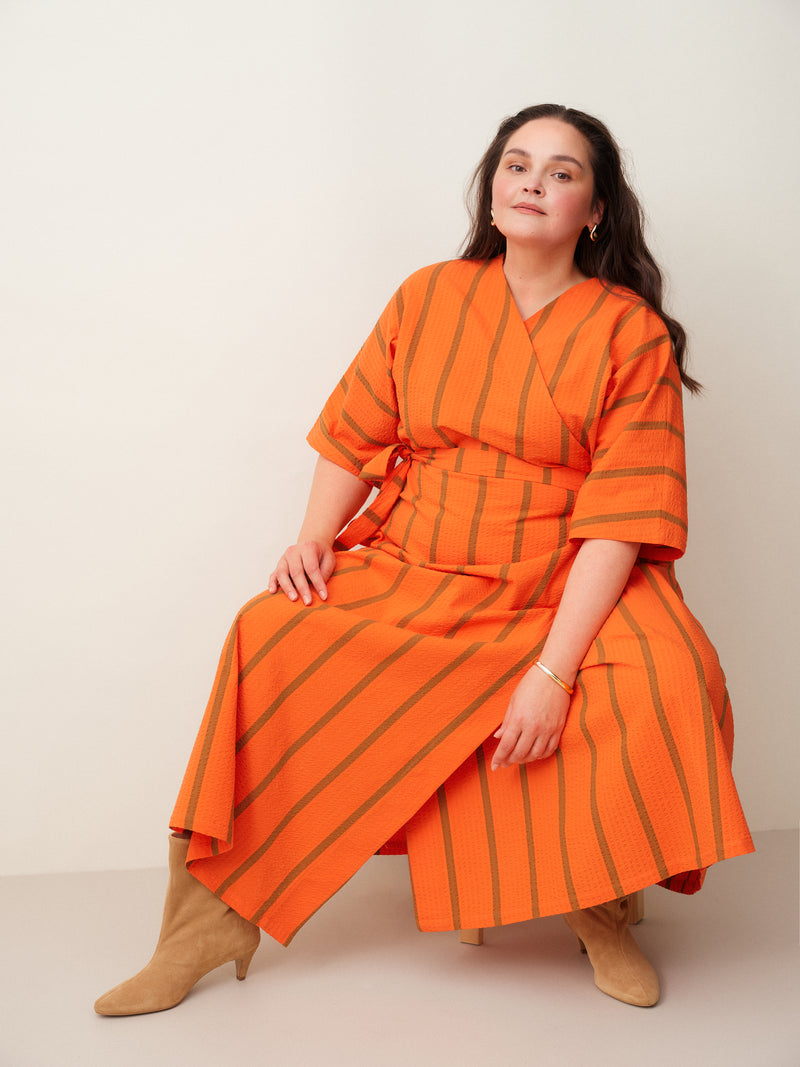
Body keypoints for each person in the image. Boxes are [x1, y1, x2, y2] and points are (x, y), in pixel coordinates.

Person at [94, 104, 753, 1016]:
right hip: (423, 551)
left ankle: (598, 903)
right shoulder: (428, 295)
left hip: (563, 569)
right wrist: (313, 537)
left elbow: (624, 516)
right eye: (517, 164)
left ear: (596, 210)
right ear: (492, 187)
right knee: (271, 631)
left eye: (562, 172)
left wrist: (553, 671)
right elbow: (354, 432)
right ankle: (208, 923)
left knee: (665, 676)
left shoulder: (628, 332)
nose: (533, 182)